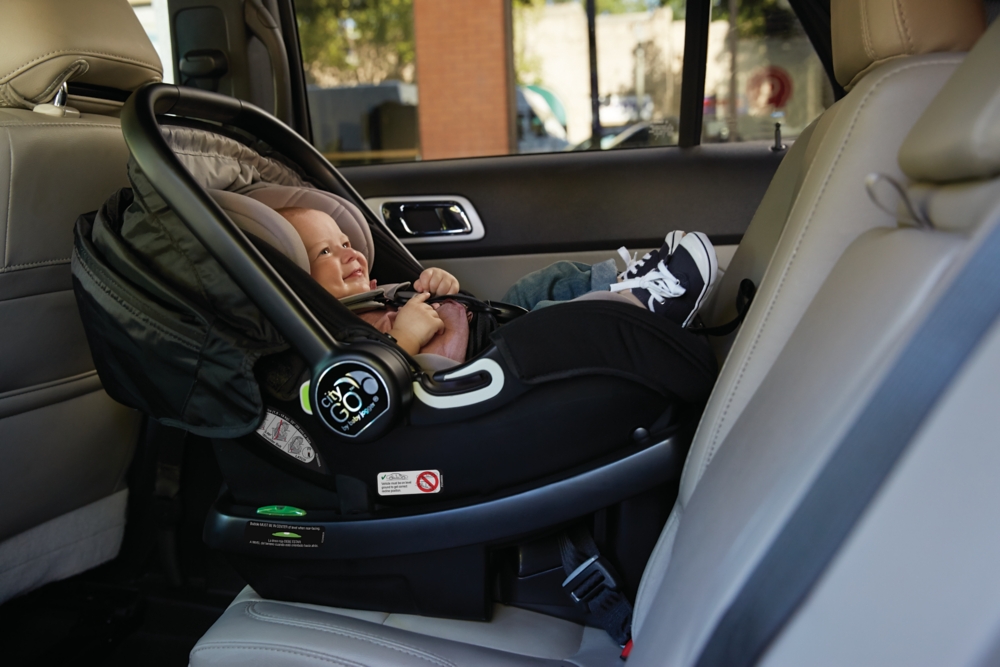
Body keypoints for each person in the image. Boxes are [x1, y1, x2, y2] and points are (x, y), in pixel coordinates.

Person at [275, 207, 718, 363]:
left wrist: (438, 284)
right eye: (326, 253)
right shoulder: (331, 333)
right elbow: (370, 379)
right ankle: (640, 308)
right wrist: (402, 338)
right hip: (480, 363)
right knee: (550, 323)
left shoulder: (376, 294)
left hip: (483, 327)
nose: (350, 254)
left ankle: (624, 283)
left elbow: (443, 303)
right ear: (301, 286)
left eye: (347, 242)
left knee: (544, 281)